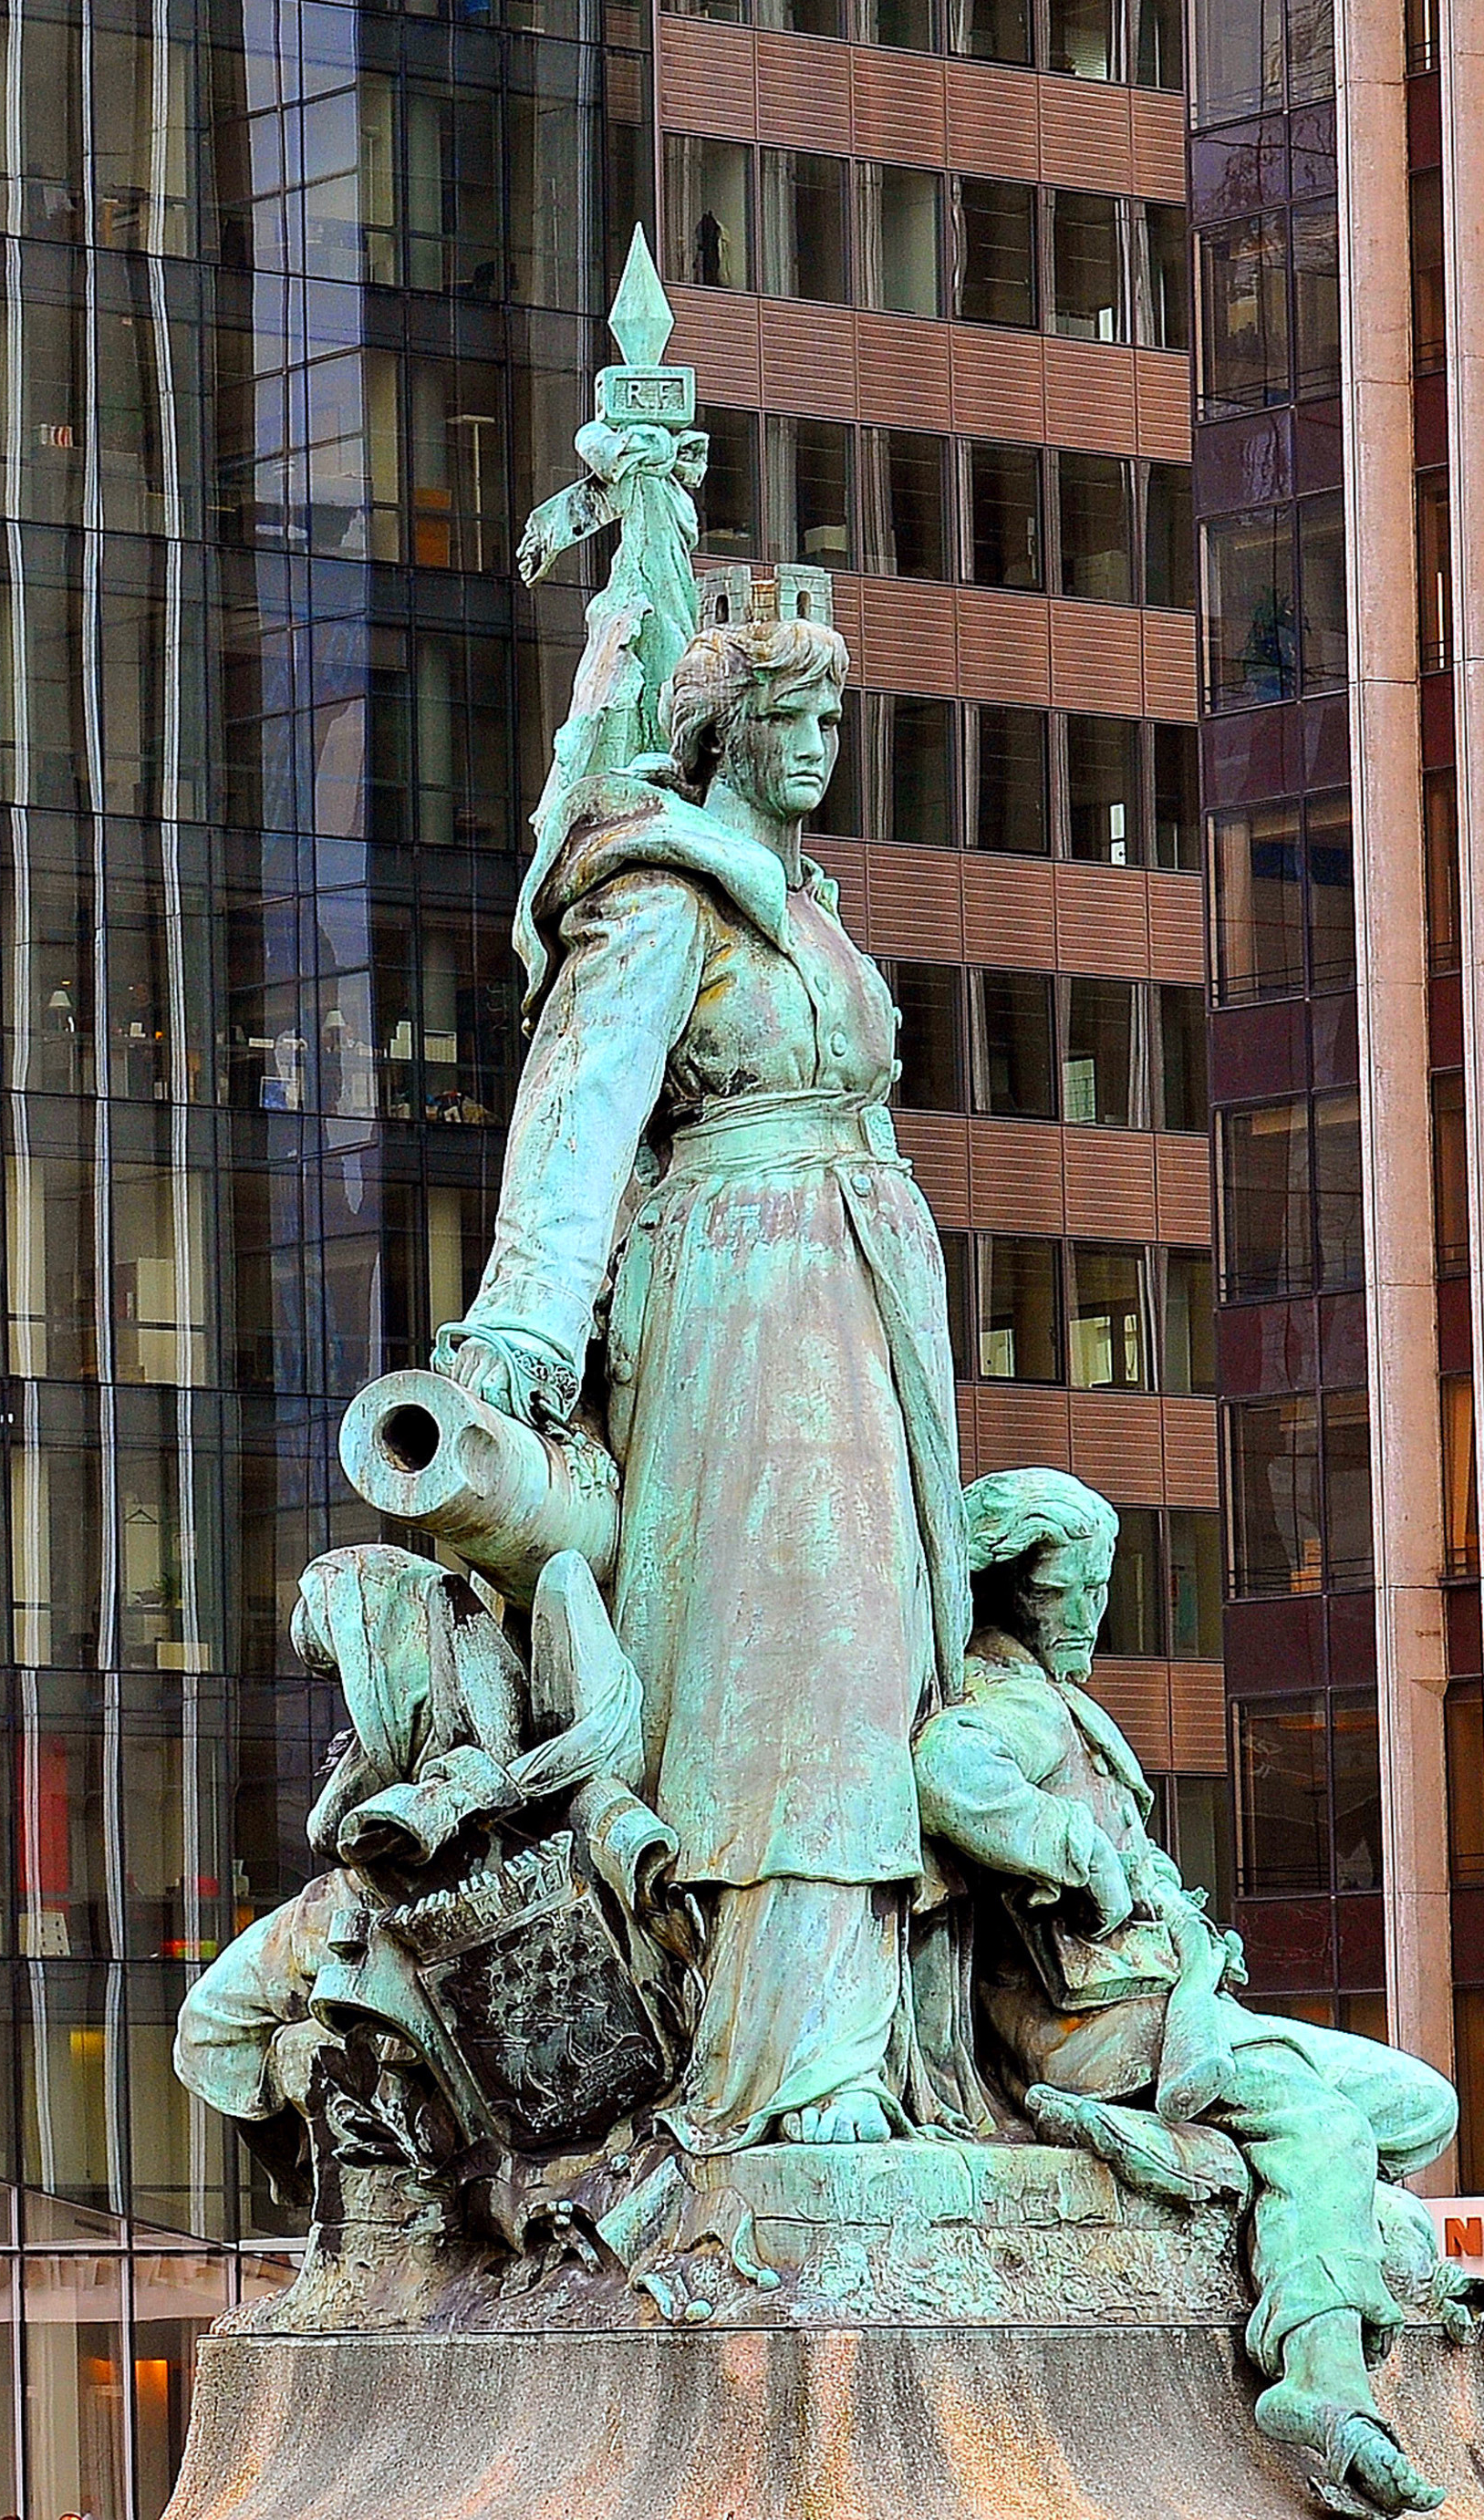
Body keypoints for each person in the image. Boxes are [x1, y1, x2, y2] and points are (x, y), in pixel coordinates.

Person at [435, 595, 964, 2152]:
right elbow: (581, 1106)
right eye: (786, 722)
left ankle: (859, 2049)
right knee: (788, 1664)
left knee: (875, 1656)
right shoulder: (665, 895)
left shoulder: (810, 910)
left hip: (856, 1293)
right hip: (738, 1297)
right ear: (720, 735)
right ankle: (784, 2066)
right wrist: (523, 1325)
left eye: (827, 724)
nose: (813, 750)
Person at [920, 1468, 1462, 2519]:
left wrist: (1160, 1890)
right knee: (1321, 2125)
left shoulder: (1065, 1708)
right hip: (1098, 2027)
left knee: (1418, 2107)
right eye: (1065, 1592)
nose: (1091, 1613)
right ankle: (1323, 2384)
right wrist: (1080, 1855)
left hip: (1176, 2004)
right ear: (1006, 1594)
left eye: (1096, 1587)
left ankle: (1306, 2221)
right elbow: (946, 1771)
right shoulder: (1001, 1704)